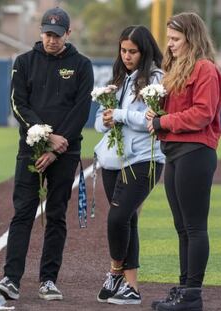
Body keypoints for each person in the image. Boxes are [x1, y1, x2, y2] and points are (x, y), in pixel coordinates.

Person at [0, 6, 93, 301]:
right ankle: (11, 278)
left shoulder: (82, 65)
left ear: (68, 34)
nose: (52, 39)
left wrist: (58, 146)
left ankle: (49, 279)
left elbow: (81, 110)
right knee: (23, 212)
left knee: (56, 215)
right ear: (41, 32)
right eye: (48, 34)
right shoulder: (23, 62)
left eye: (58, 35)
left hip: (67, 151)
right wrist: (45, 138)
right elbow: (18, 104)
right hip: (30, 150)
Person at [147, 12, 221, 311]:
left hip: (196, 151)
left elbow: (203, 113)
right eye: (170, 39)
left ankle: (193, 295)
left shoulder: (205, 69)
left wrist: (164, 120)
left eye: (176, 39)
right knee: (182, 227)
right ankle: (183, 289)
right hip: (175, 152)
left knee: (194, 227)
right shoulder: (175, 67)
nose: (171, 44)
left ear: (192, 39)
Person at [93, 25, 165, 305]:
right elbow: (100, 121)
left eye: (132, 51)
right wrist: (107, 119)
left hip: (145, 159)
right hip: (114, 159)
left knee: (118, 218)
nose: (126, 56)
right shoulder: (121, 78)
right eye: (123, 50)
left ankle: (114, 272)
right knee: (128, 221)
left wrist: (120, 115)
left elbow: (152, 120)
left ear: (144, 51)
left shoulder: (157, 78)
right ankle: (131, 287)